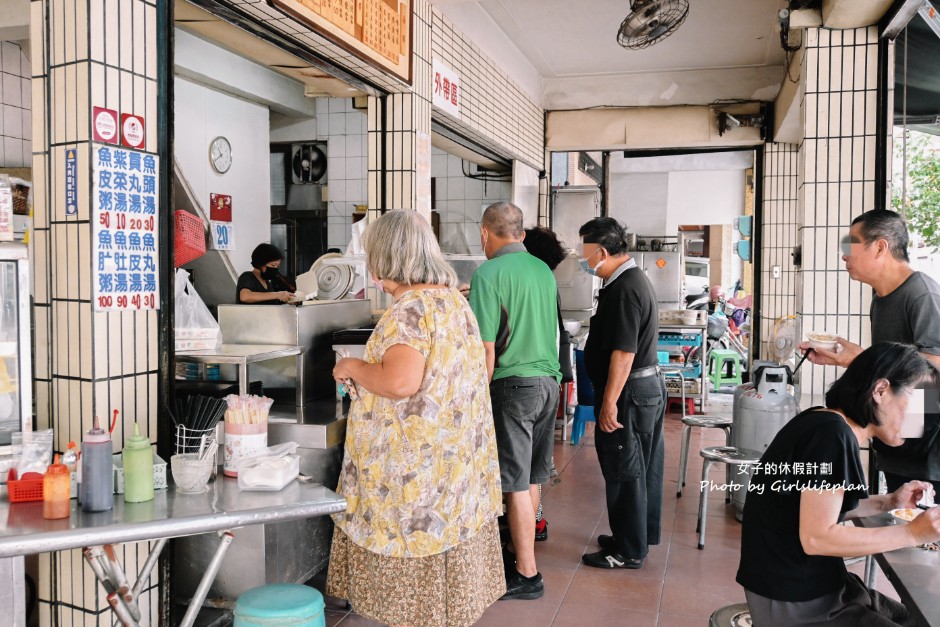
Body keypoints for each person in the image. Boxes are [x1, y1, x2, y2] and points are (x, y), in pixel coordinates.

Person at [327, 210, 504, 626]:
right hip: (451, 466)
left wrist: (351, 367)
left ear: (385, 257)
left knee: (412, 587)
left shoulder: (409, 312)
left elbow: (400, 382)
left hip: (413, 478)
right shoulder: (452, 302)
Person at [737, 342, 940, 626]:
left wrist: (889, 501)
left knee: (910, 617)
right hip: (796, 603)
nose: (921, 421)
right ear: (880, 391)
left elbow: (816, 511)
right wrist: (913, 534)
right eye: (919, 403)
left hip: (813, 587)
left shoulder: (822, 422)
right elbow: (817, 537)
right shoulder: (831, 437)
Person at [799, 210, 940, 493]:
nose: (844, 256)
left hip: (926, 446)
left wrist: (861, 360)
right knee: (898, 520)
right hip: (896, 435)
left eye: (850, 245)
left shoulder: (922, 295)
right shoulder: (881, 297)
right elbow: (890, 367)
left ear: (880, 247)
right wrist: (850, 361)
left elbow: (934, 374)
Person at [469, 202, 561, 600]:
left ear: (485, 234)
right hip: (549, 383)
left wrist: (472, 400)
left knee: (515, 483)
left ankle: (527, 574)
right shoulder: (543, 270)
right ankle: (521, 547)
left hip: (513, 387)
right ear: (521, 235)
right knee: (534, 475)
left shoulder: (487, 273)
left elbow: (486, 350)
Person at [578, 217, 666, 570]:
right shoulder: (628, 280)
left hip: (630, 391)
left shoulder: (626, 288)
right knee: (639, 465)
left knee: (625, 466)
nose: (585, 262)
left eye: (586, 254)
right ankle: (634, 535)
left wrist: (610, 401)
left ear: (600, 251)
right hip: (642, 387)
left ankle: (628, 550)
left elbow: (623, 352)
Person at [522, 225, 570, 543]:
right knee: (536, 464)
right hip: (549, 382)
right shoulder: (546, 283)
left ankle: (530, 527)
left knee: (524, 469)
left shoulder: (532, 283)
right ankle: (536, 522)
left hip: (528, 384)